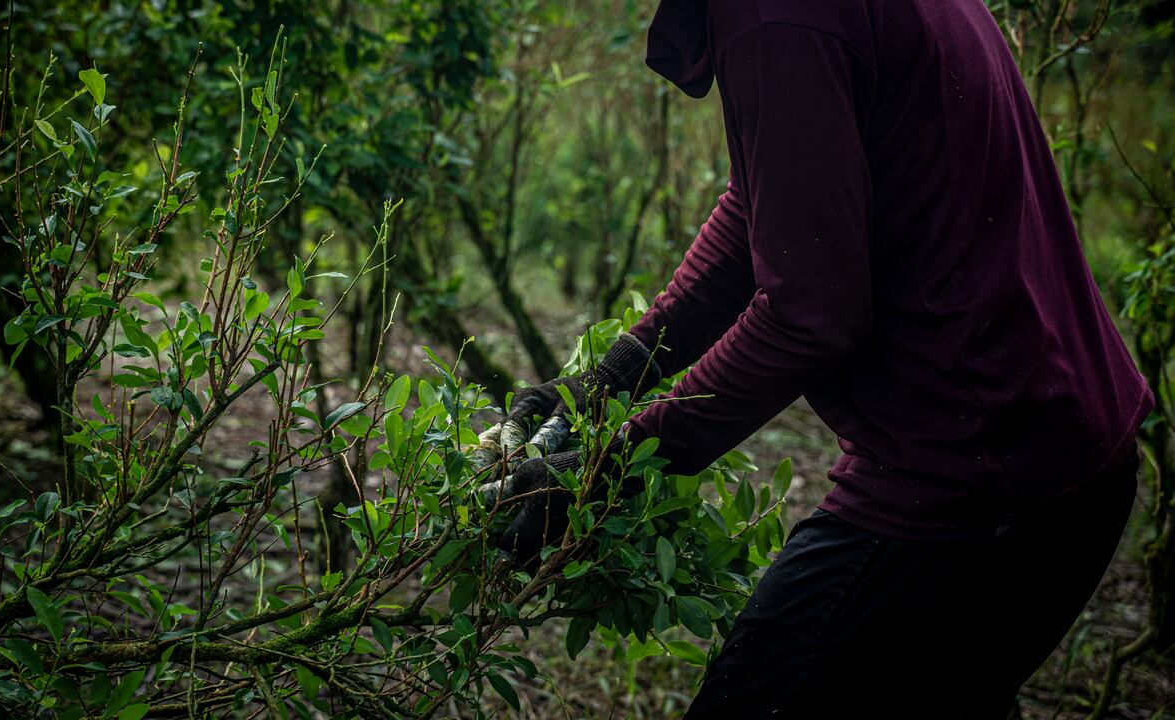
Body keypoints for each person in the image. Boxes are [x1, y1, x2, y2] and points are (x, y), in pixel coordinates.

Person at [489, 0, 1155, 717]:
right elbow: (765, 208)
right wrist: (606, 381)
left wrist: (609, 470)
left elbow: (810, 317)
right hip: (1058, 447)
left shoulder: (773, 13)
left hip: (979, 482)